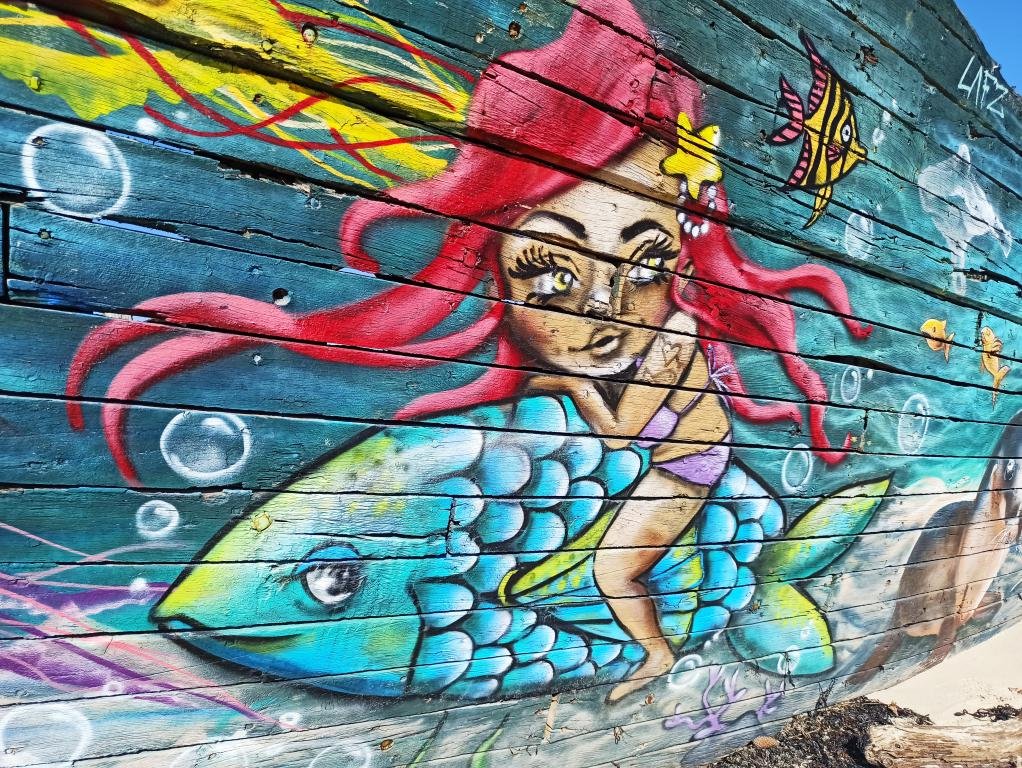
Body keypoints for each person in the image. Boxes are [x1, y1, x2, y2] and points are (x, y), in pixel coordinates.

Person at [65, 0, 870, 698]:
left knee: (609, 570)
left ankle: (652, 652)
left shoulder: (675, 343)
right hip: (649, 448)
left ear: (684, 268)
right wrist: (578, 400)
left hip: (683, 470)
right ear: (493, 272)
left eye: (649, 265)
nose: (606, 309)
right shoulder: (573, 381)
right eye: (552, 271)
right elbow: (610, 417)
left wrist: (592, 409)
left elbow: (652, 432)